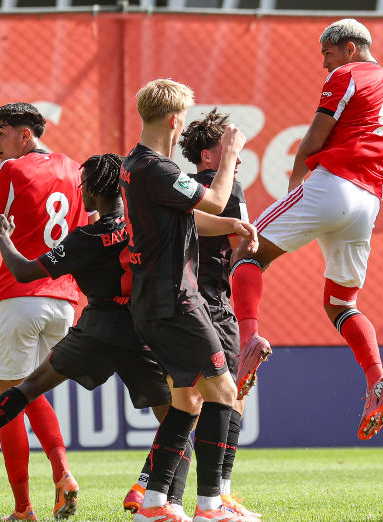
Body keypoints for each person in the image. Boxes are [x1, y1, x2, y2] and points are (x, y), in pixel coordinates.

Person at [229, 18, 383, 440]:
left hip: (331, 185)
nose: (324, 65)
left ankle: (249, 341)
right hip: (367, 205)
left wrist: (297, 188)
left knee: (246, 252)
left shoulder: (346, 75)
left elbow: (314, 140)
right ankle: (376, 379)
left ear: (350, 48)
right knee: (340, 304)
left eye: (327, 54)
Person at [0, 154, 171, 521]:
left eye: (83, 187)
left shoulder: (87, 237)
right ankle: (155, 490)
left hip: (93, 328)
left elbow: (25, 271)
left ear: (92, 189)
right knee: (176, 418)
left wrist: (3, 238)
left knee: (24, 389)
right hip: (137, 331)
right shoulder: (145, 224)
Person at [121, 79, 259, 522]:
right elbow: (218, 200)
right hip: (175, 300)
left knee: (187, 400)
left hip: (152, 301)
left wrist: (231, 228)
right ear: (175, 121)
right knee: (223, 390)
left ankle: (156, 503)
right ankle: (211, 506)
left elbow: (187, 217)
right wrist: (233, 150)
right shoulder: (158, 170)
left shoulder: (136, 165)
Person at [0, 102, 88, 520]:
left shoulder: (13, 170)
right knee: (32, 391)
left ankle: (24, 507)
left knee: (10, 400)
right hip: (64, 301)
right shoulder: (76, 169)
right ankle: (61, 474)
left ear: (26, 134)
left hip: (19, 295)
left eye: (0, 133)